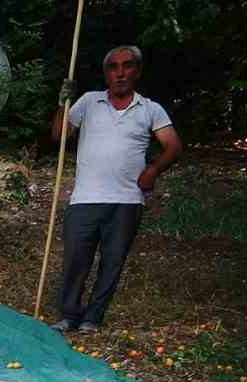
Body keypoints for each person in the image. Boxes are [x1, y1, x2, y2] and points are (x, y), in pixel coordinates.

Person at [50, 45, 183, 334]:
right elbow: (60, 136)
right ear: (107, 73)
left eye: (127, 66)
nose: (120, 73)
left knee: (112, 262)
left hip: (126, 200)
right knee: (75, 259)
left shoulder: (149, 109)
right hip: (85, 197)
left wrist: (152, 170)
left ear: (137, 71)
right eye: (114, 67)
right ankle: (69, 314)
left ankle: (92, 318)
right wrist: (64, 102)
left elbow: (173, 146)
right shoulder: (88, 101)